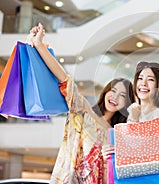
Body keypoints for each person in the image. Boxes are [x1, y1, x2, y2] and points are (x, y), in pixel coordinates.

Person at [27, 23, 135, 184]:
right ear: (106, 92)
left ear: (126, 104)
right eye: (113, 91)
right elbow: (65, 80)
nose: (115, 97)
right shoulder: (84, 111)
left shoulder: (117, 134)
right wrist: (39, 45)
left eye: (122, 96)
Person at [101, 61, 159, 159]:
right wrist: (110, 152)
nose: (143, 83)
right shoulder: (130, 111)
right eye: (140, 78)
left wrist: (122, 150)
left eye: (150, 80)